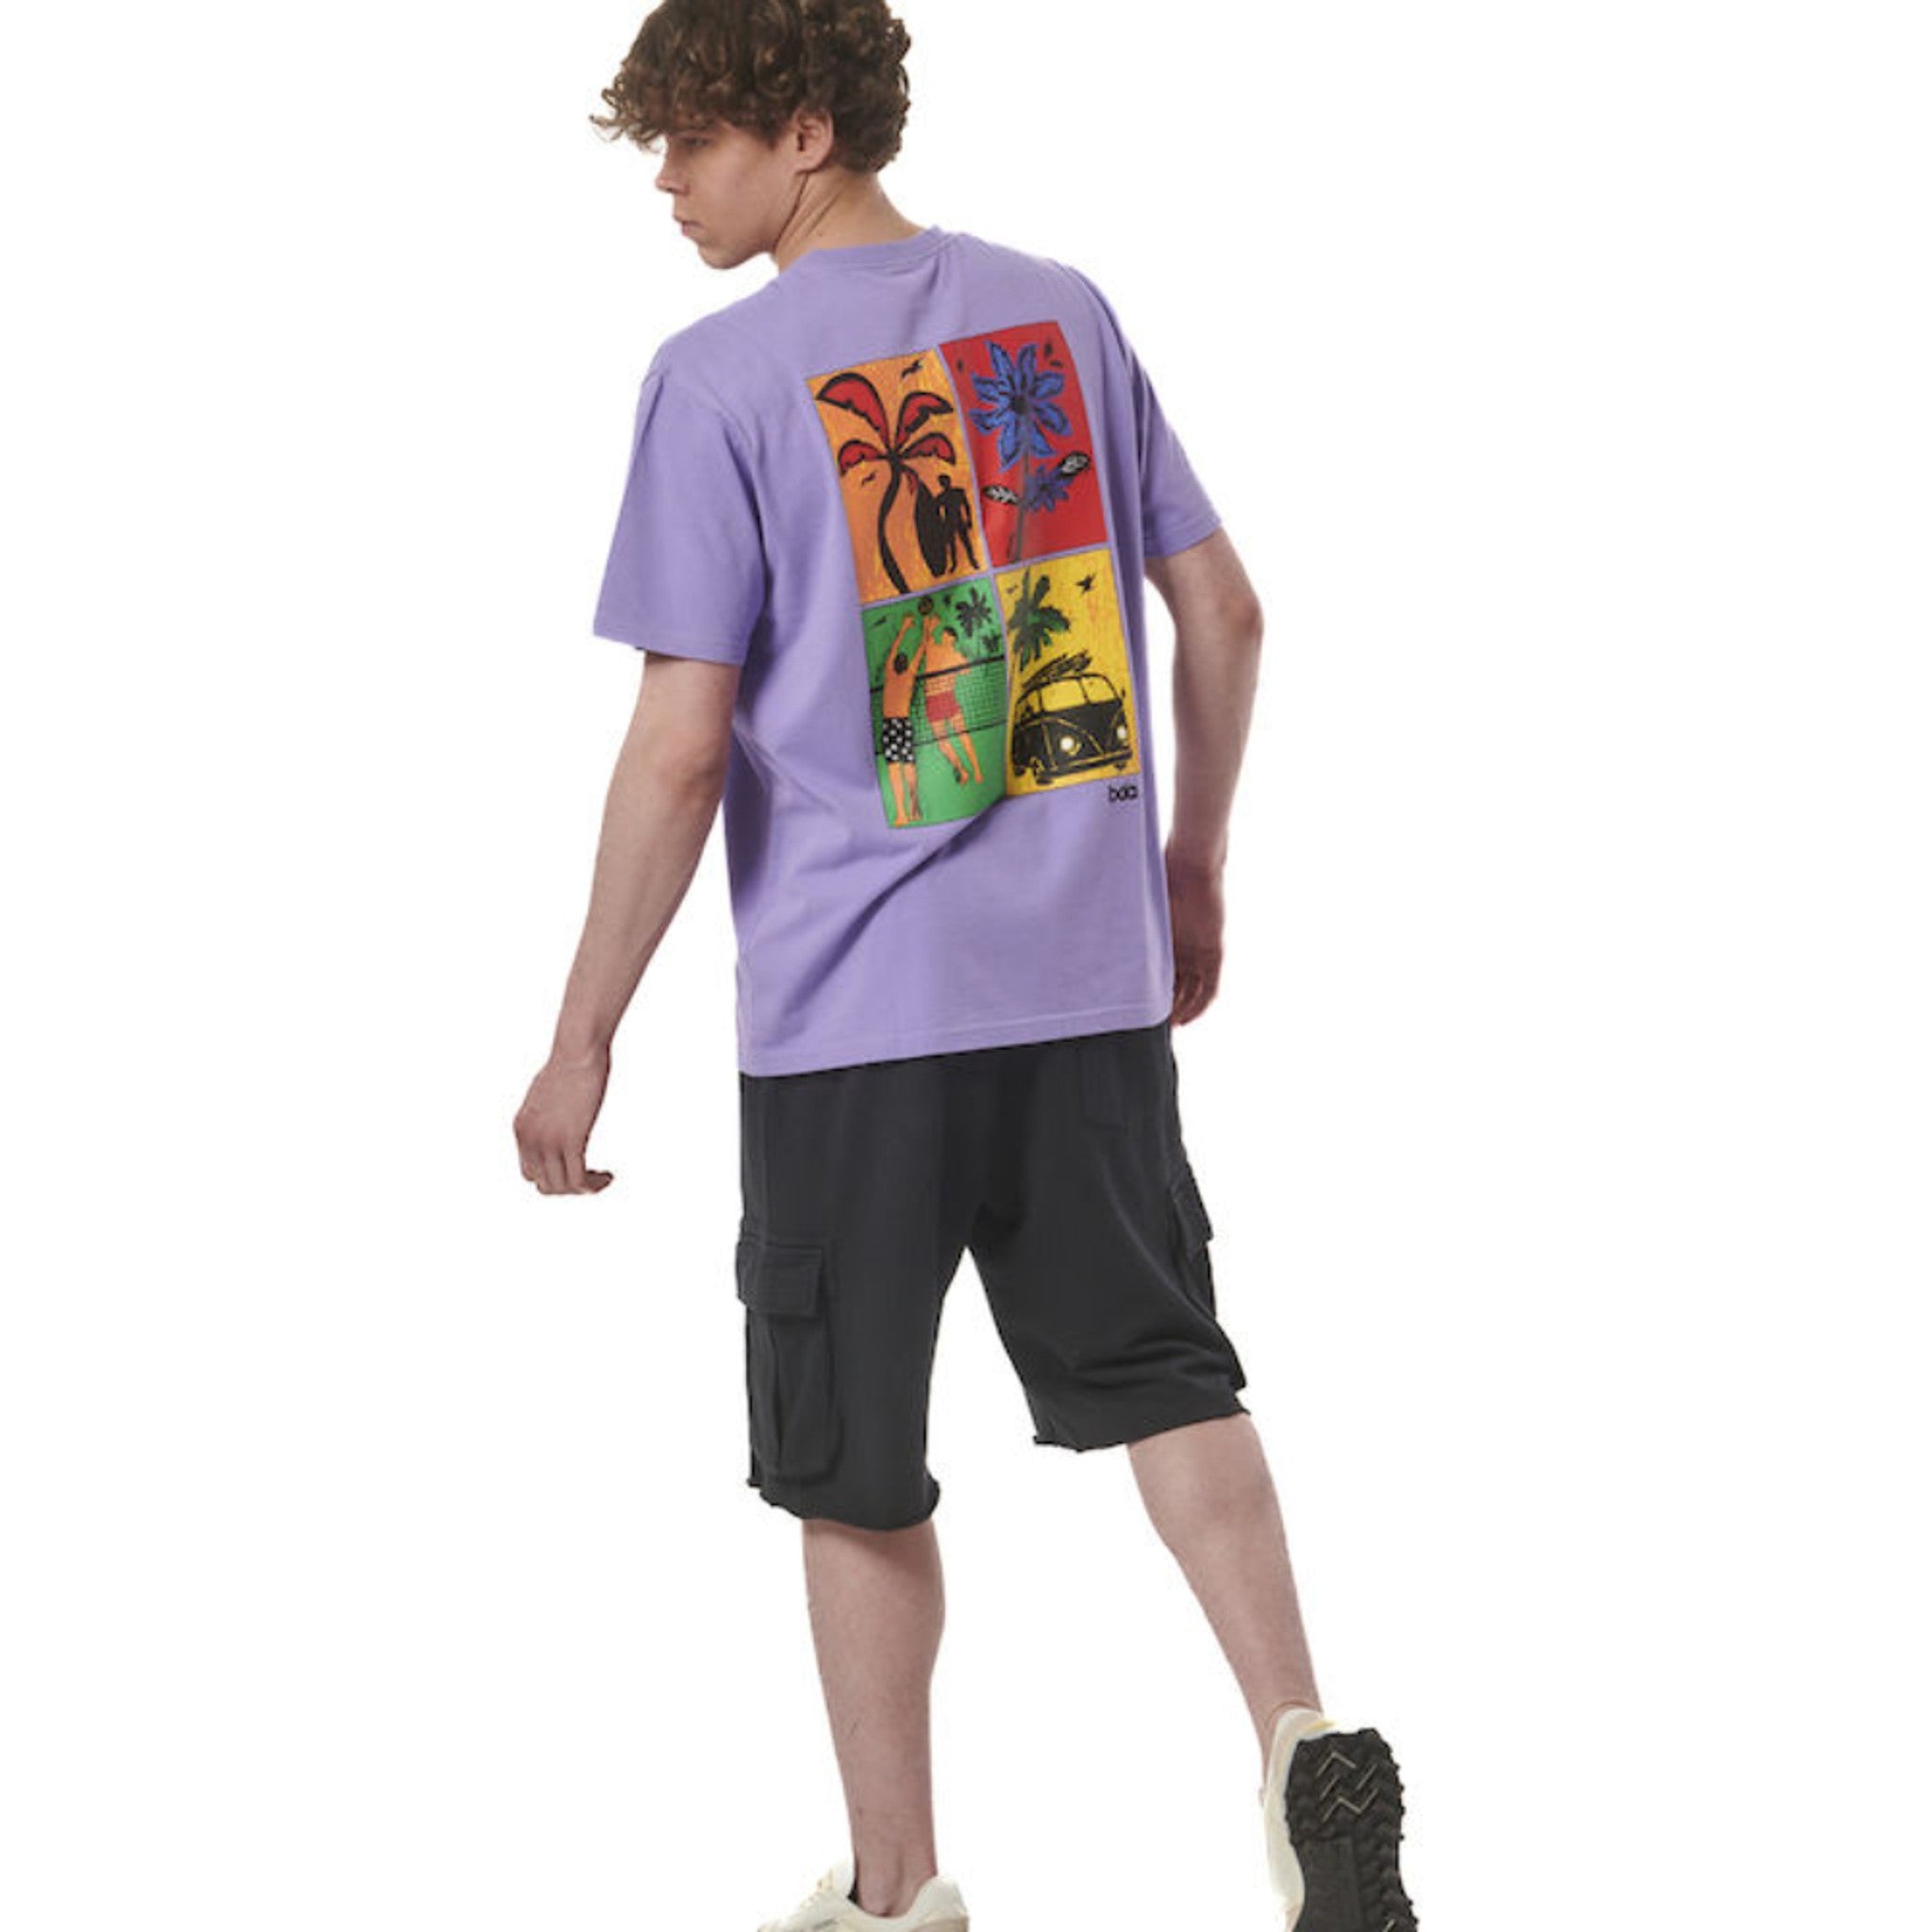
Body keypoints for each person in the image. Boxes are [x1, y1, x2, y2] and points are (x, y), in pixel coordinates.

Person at [511, 4, 1418, 1928]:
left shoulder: (719, 379)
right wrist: (1189, 869)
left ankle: (897, 1893)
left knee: (852, 1467)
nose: (665, 184)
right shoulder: (1058, 316)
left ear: (804, 134)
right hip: (1085, 996)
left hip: (856, 1020)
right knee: (1169, 1375)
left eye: (692, 142)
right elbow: (1224, 613)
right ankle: (1300, 1739)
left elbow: (679, 748)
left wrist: (581, 1035)